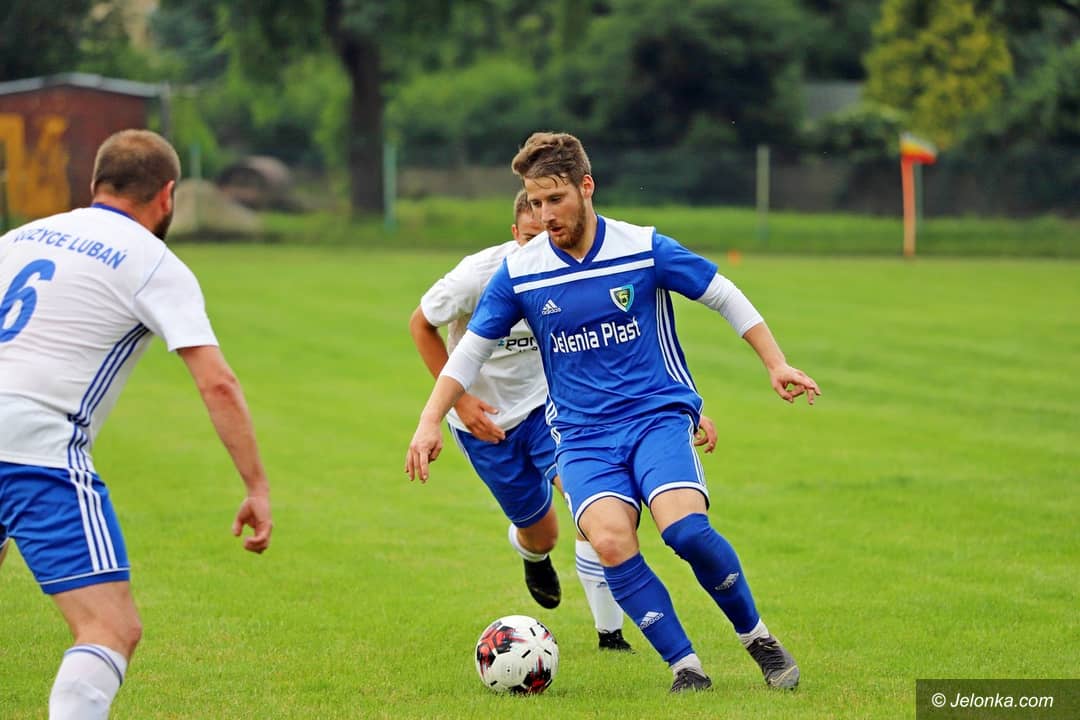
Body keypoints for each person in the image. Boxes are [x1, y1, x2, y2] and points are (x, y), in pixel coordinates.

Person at [407, 131, 820, 693]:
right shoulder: (521, 271)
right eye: (535, 202)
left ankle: (758, 639)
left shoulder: (642, 247)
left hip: (655, 418)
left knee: (686, 532)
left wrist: (775, 362)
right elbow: (470, 350)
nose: (545, 215)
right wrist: (430, 419)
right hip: (581, 436)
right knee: (608, 540)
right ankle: (686, 668)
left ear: (586, 186)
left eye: (555, 199)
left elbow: (721, 292)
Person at [0, 129, 273, 719]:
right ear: (167, 195)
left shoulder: (16, 239)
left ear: (95, 183)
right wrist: (256, 486)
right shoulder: (153, 261)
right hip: (35, 448)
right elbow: (218, 382)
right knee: (110, 628)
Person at [411, 190, 647, 650]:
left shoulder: (568, 272)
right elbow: (420, 324)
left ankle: (611, 634)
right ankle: (533, 556)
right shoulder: (476, 277)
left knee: (590, 503)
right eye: (530, 237)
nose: (541, 247)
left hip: (549, 410)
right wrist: (462, 403)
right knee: (543, 534)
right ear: (513, 234)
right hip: (483, 424)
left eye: (548, 236)